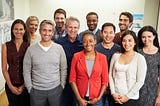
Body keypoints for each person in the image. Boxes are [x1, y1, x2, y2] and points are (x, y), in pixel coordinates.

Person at [23, 20, 67, 106]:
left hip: (55, 90)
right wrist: (29, 88)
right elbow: (26, 70)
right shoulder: (31, 50)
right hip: (36, 91)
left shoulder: (59, 48)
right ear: (40, 31)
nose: (47, 33)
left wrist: (62, 85)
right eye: (44, 30)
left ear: (53, 32)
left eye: (50, 30)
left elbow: (63, 68)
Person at [69, 31, 108, 106]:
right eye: (85, 42)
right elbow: (72, 79)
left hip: (96, 98)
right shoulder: (76, 56)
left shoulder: (102, 58)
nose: (88, 44)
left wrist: (98, 98)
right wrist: (79, 99)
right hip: (80, 97)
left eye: (91, 41)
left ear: (95, 41)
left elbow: (105, 81)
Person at [109, 30, 147, 106]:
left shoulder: (140, 58)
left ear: (135, 42)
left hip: (131, 98)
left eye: (130, 41)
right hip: (116, 97)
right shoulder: (115, 56)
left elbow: (140, 81)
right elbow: (110, 75)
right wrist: (113, 93)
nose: (126, 44)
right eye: (124, 41)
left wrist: (127, 97)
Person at [1, 19, 30, 106]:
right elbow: (4, 68)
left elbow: (30, 68)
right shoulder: (5, 46)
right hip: (11, 83)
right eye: (16, 29)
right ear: (12, 30)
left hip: (25, 84)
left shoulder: (28, 46)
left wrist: (23, 86)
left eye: (21, 29)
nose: (18, 31)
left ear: (24, 31)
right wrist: (10, 86)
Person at [56, 16, 83, 106]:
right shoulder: (58, 43)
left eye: (75, 27)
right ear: (66, 28)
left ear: (78, 28)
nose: (72, 30)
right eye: (70, 27)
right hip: (64, 82)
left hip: (79, 83)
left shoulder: (83, 43)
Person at [95, 22, 121, 106]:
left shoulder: (120, 49)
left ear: (114, 34)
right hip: (98, 88)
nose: (108, 35)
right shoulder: (95, 49)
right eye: (105, 32)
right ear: (101, 33)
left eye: (111, 32)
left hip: (115, 89)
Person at [137, 25, 160, 106]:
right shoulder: (137, 52)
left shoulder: (159, 53)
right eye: (143, 37)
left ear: (154, 36)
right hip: (137, 88)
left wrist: (159, 96)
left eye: (149, 36)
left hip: (152, 90)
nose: (146, 39)